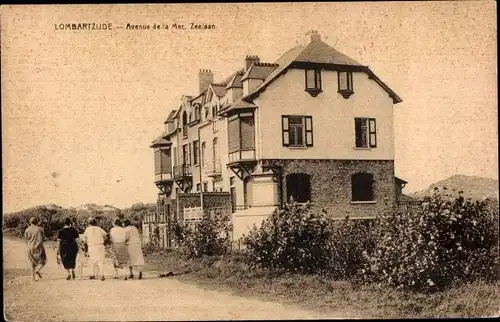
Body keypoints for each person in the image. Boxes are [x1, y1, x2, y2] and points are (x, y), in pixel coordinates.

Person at [24, 217, 47, 282]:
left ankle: (32, 278)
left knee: (32, 262)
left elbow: (26, 240)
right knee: (43, 260)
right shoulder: (40, 229)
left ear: (30, 222)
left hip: (30, 247)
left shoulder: (27, 230)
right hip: (39, 247)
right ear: (36, 222)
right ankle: (38, 270)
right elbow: (43, 238)